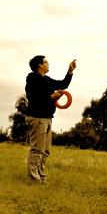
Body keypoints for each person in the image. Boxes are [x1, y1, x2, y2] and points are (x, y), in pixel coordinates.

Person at [25, 56, 76, 184]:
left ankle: (41, 176)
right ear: (40, 66)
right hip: (37, 118)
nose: (48, 63)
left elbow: (62, 84)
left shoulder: (47, 80)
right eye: (46, 62)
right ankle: (33, 179)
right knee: (37, 149)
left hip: (47, 118)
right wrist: (51, 97)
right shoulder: (32, 80)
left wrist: (70, 71)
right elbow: (33, 99)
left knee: (45, 150)